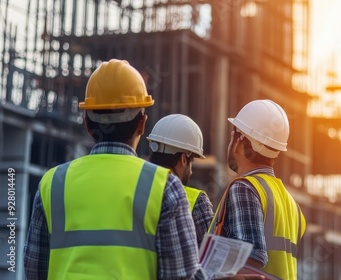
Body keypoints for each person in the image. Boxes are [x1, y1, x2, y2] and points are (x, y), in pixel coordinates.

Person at [23, 59, 263, 280]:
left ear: (87, 124)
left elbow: (34, 270)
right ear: (141, 124)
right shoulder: (163, 187)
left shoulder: (51, 184)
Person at [209, 99, 307, 280]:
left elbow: (249, 266)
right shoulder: (292, 205)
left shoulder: (244, 189)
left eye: (232, 136)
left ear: (239, 141)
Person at [147, 114, 214, 247]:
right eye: (191, 162)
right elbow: (209, 256)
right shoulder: (196, 200)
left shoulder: (136, 188)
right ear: (184, 159)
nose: (191, 171)